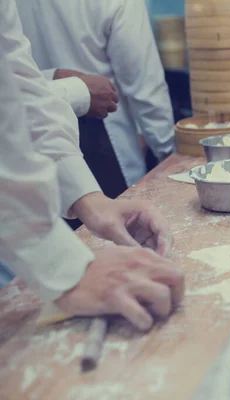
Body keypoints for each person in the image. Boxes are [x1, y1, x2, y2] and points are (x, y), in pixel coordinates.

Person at [1, 0, 184, 330]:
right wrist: (63, 267)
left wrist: (90, 200)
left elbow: (19, 88)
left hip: (39, 172)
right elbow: (147, 88)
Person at [16, 0, 176, 199]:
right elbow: (146, 88)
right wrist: (171, 158)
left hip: (36, 149)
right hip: (105, 148)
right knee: (119, 223)